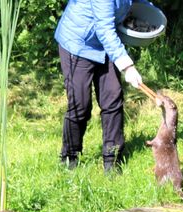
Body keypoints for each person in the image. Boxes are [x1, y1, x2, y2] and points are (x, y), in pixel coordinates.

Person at [54, 0, 147, 173]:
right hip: (78, 43)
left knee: (113, 97)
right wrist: (127, 67)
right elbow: (104, 29)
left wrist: (153, 15)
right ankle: (69, 159)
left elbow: (139, 3)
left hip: (106, 45)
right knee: (80, 105)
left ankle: (112, 159)